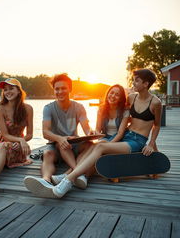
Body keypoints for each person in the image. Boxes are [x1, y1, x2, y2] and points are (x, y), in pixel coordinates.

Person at [52, 68, 162, 198]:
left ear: (146, 84)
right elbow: (118, 107)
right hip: (127, 135)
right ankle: (70, 175)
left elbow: (157, 125)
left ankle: (68, 180)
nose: (133, 83)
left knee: (101, 146)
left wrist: (151, 144)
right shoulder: (132, 98)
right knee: (99, 144)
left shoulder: (156, 102)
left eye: (137, 81)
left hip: (137, 141)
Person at [24, 73, 94, 197]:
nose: (60, 91)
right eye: (57, 89)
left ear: (70, 89)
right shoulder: (48, 108)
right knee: (47, 153)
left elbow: (87, 129)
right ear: (54, 90)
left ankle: (72, 173)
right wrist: (60, 138)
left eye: (63, 88)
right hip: (55, 144)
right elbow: (45, 132)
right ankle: (46, 180)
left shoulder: (79, 107)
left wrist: (91, 133)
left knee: (90, 145)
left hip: (73, 144)